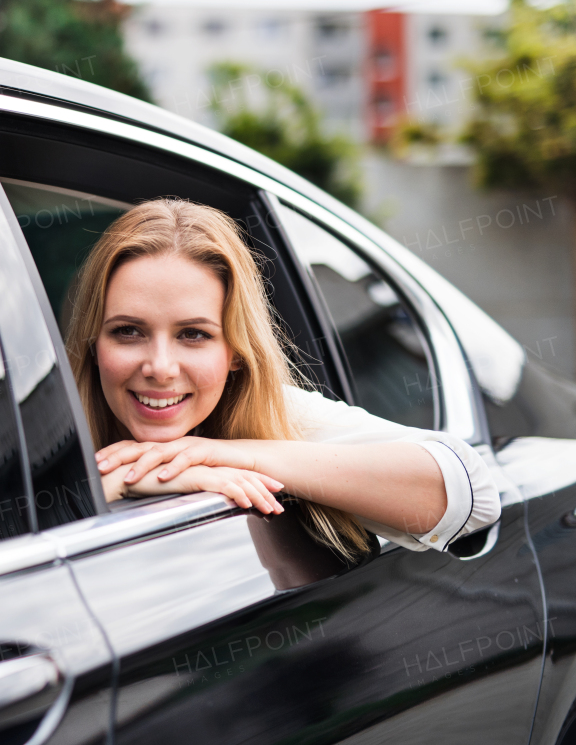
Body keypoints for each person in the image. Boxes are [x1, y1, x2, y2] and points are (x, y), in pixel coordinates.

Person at [68, 198, 499, 560]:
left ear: (235, 351)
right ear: (93, 341)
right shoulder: (34, 427)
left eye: (194, 334)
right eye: (128, 331)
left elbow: (472, 494)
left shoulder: (277, 414)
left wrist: (219, 455)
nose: (160, 367)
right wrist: (112, 486)